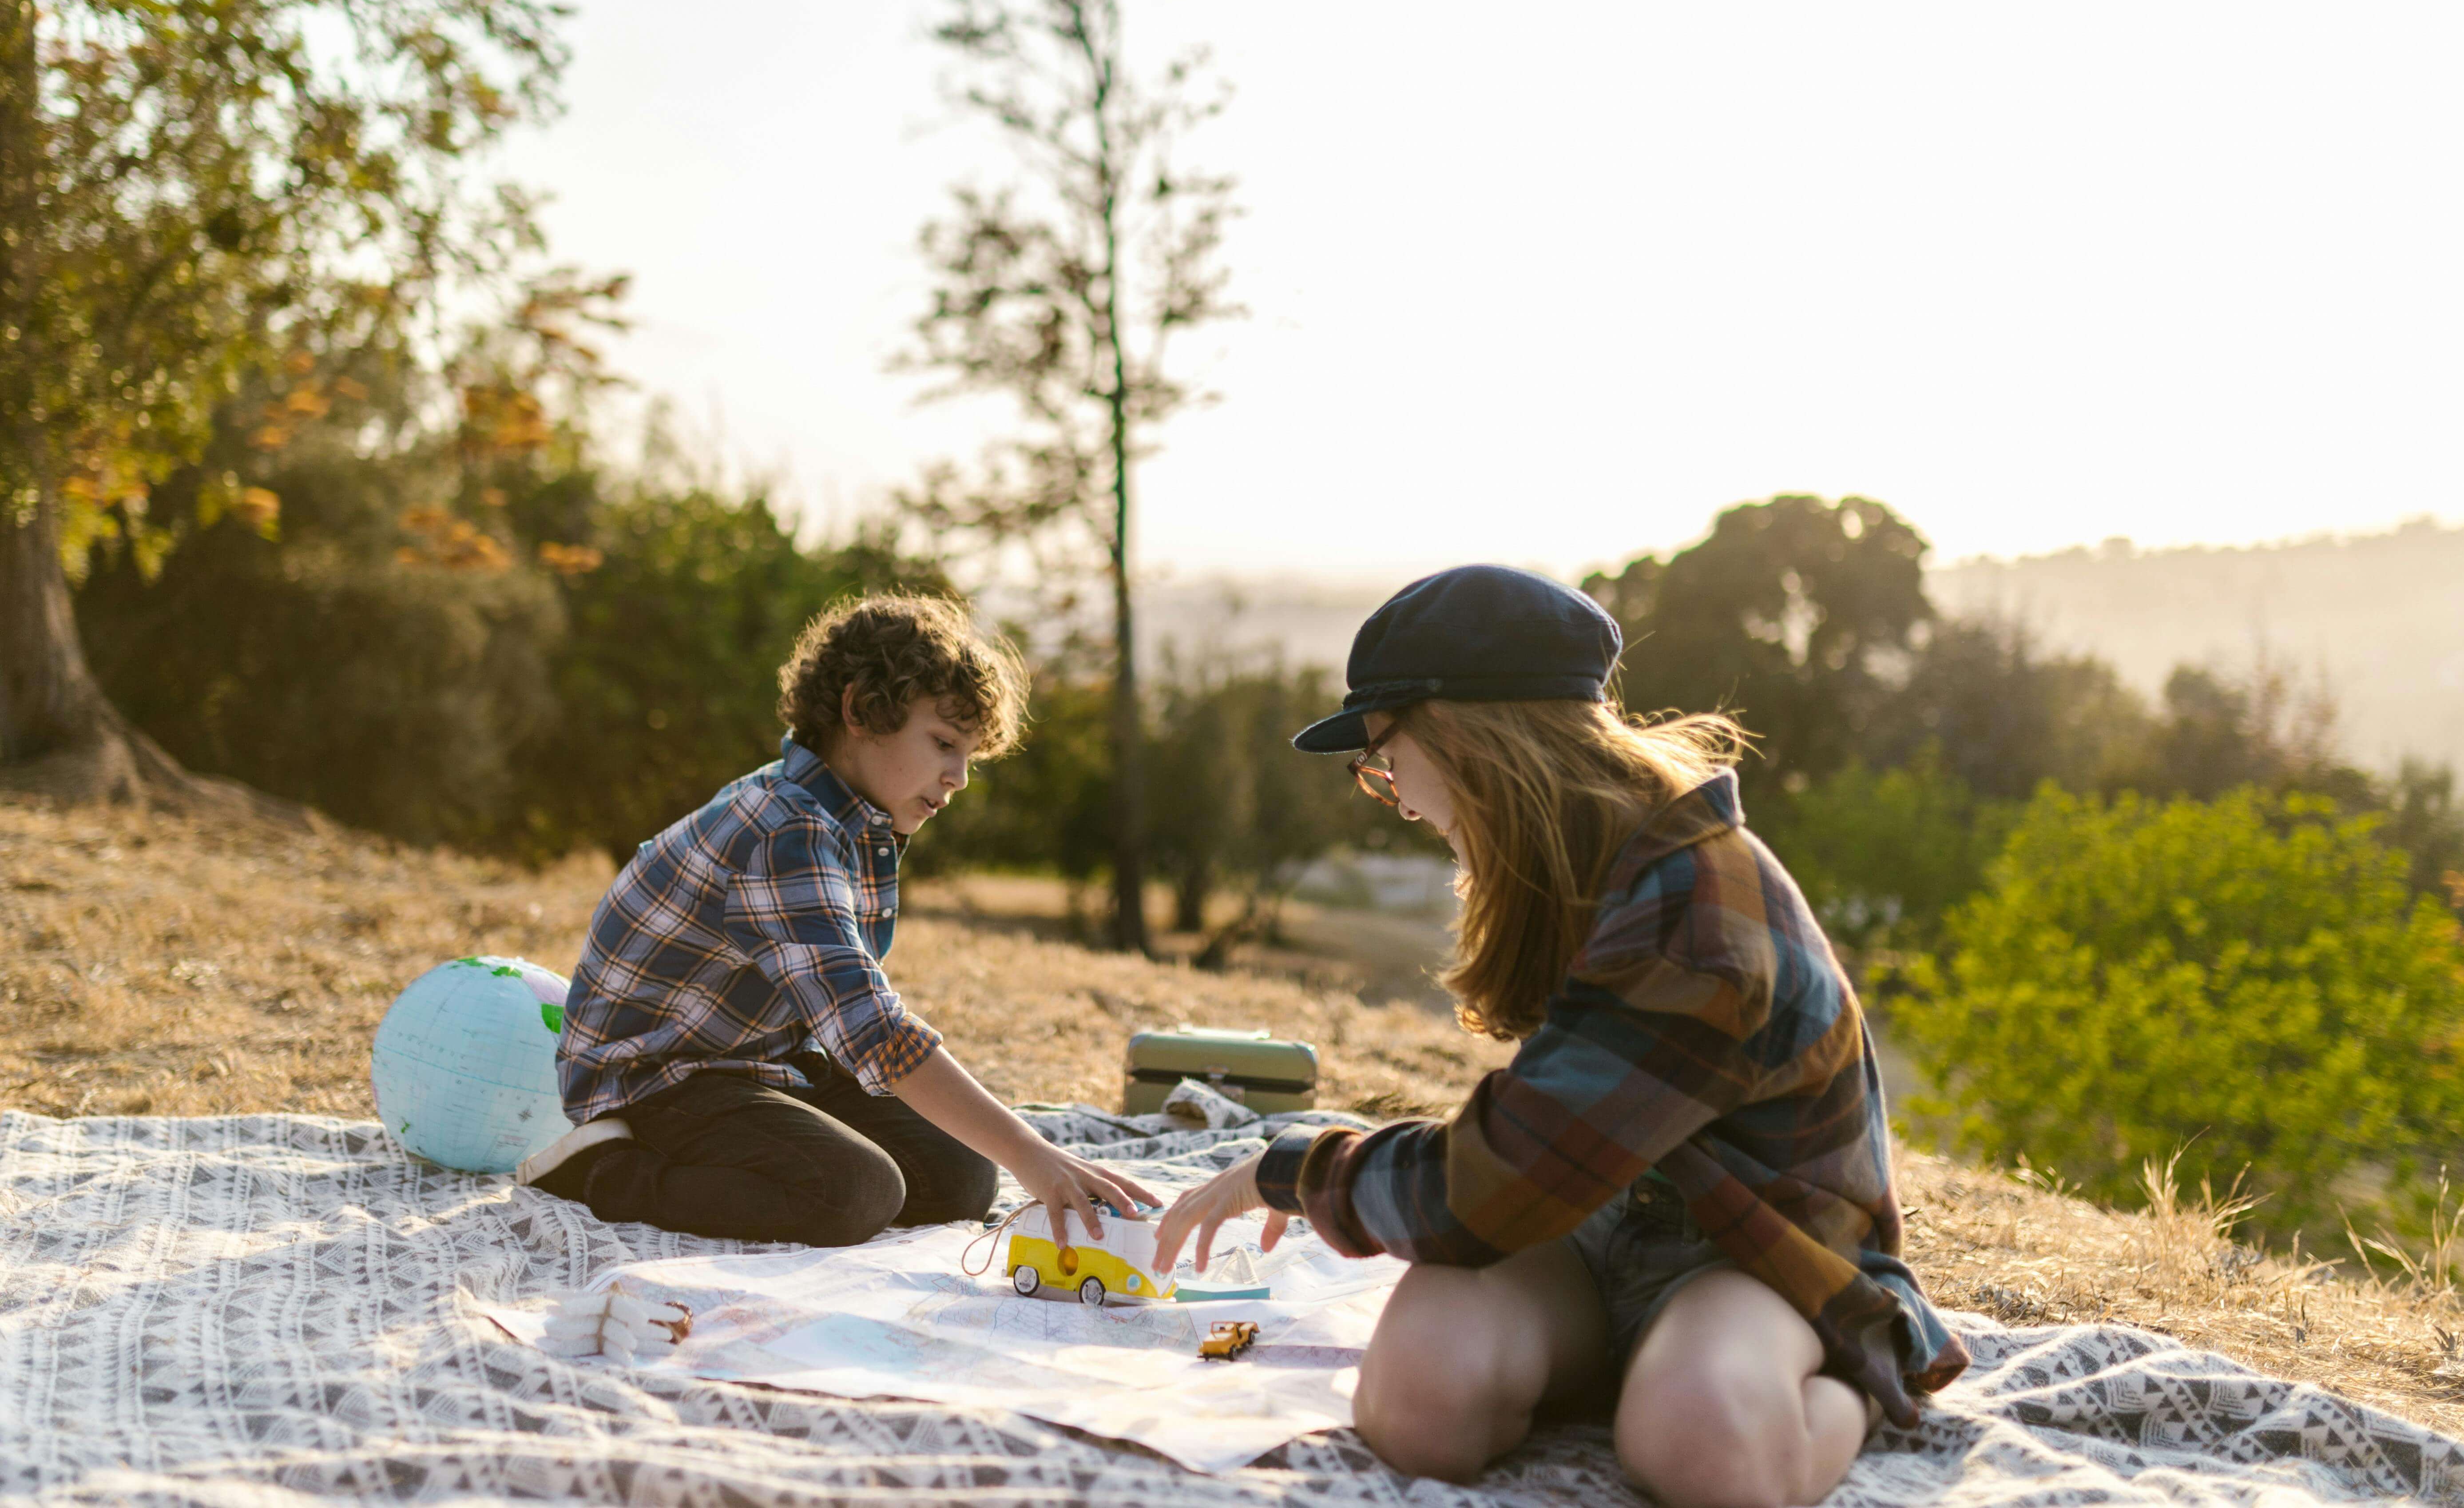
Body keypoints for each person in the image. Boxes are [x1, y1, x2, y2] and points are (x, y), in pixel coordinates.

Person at [1151, 565, 1968, 1508]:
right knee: (1418, 1402)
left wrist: (1295, 1169)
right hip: (1598, 1218)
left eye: (1385, 758)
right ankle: (1626, 1371)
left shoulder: (1694, 915)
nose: (1398, 798)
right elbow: (1539, 1163)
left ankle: (1861, 1375)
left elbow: (1495, 1184)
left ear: (1464, 736)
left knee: (1701, 1444)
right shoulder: (1587, 862)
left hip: (1751, 1244)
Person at [519, 592, 1154, 1249]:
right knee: (854, 1193)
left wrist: (1012, 1152)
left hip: (757, 1062)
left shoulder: (849, 821)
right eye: (942, 743)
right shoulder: (783, 831)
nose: (959, 778)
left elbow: (845, 1024)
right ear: (859, 711)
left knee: (961, 1180)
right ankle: (605, 1171)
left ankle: (740, 1155)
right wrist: (1034, 1153)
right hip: (654, 1077)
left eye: (968, 756)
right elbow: (873, 1030)